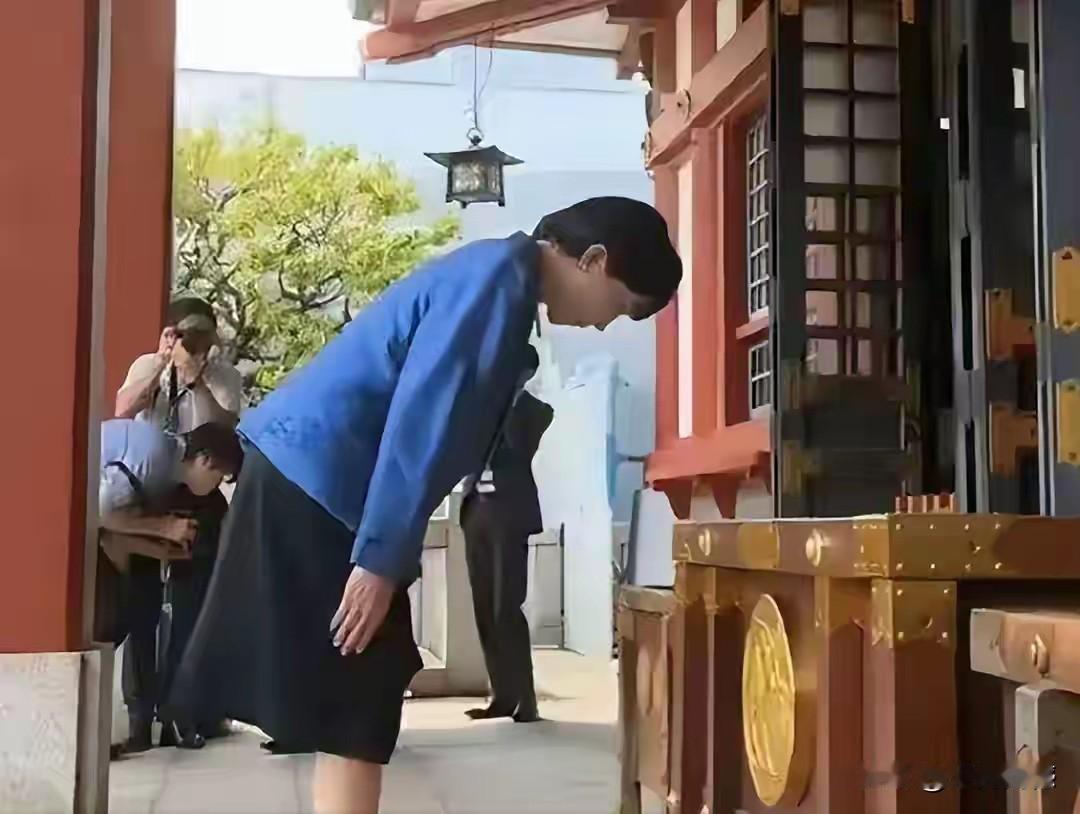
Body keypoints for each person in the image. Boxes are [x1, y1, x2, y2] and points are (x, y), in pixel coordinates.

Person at [167, 196, 682, 814]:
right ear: (594, 261)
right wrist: (381, 560)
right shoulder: (495, 286)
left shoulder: (498, 278)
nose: (604, 326)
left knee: (356, 695)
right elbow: (422, 423)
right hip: (320, 484)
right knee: (361, 693)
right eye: (620, 307)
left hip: (313, 478)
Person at [113, 297, 243, 750]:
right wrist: (162, 363)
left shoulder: (223, 374)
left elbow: (226, 427)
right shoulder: (147, 364)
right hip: (149, 487)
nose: (196, 345)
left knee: (192, 607)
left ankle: (183, 710)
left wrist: (198, 379)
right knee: (140, 605)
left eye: (204, 337)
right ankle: (139, 715)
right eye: (188, 335)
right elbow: (123, 408)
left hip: (197, 490)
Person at [94, 419, 243, 753]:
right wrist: (164, 527)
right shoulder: (156, 458)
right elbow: (101, 513)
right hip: (71, 532)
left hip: (104, 543)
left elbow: (113, 532)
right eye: (219, 476)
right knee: (109, 622)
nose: (217, 485)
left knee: (120, 620)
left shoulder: (166, 468)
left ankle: (105, 736)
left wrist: (159, 548)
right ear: (204, 460)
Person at [461, 347, 552, 724]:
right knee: (484, 608)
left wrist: (508, 399)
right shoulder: (481, 408)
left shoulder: (534, 411)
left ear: (525, 373)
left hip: (508, 515)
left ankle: (526, 700)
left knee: (506, 607)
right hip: (476, 512)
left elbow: (518, 446)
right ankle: (502, 695)